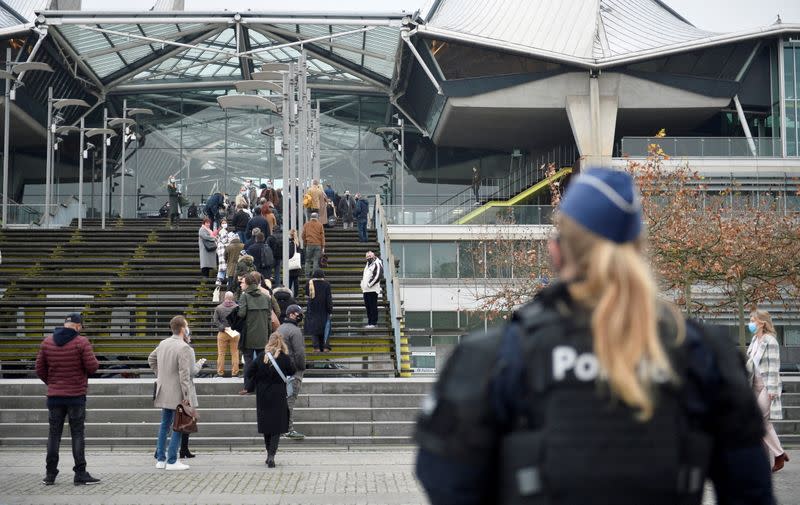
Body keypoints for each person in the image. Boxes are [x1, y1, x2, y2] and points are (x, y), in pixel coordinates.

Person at [415, 168, 774, 505]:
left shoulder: (494, 356)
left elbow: (446, 481)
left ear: (556, 251)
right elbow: (751, 489)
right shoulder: (704, 353)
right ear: (639, 249)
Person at [35, 313, 101, 486]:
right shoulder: (81, 342)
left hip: (55, 397)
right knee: (77, 433)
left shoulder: (47, 342)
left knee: (53, 435)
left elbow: (39, 368)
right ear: (78, 326)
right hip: (76, 396)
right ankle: (80, 473)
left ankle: (50, 474)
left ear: (65, 324)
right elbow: (93, 367)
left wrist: (52, 383)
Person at [148, 315, 197, 471]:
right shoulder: (184, 347)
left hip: (164, 390)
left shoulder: (163, 343)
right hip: (178, 392)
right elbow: (184, 374)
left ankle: (161, 459)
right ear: (183, 329)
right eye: (187, 325)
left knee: (164, 424)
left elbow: (151, 359)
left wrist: (160, 375)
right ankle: (172, 460)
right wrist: (187, 397)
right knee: (178, 426)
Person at [244, 332, 296, 467]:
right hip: (278, 396)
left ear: (269, 342)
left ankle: (268, 454)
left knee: (266, 426)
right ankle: (272, 455)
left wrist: (257, 378)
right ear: (281, 343)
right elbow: (292, 371)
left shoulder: (261, 357)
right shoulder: (284, 358)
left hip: (262, 396)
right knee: (276, 428)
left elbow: (249, 372)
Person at [747, 308, 789, 472]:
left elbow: (773, 367)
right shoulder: (754, 340)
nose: (750, 323)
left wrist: (772, 389)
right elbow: (751, 363)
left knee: (760, 420)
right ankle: (766, 459)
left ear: (762, 322)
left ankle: (779, 454)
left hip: (768, 385)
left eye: (752, 320)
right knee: (762, 422)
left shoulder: (770, 341)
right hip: (754, 384)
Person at [238, 272, 272, 383]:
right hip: (263, 335)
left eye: (242, 282)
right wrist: (268, 334)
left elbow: (241, 314)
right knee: (263, 361)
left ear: (247, 284)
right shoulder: (266, 297)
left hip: (249, 336)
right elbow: (269, 318)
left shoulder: (244, 296)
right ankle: (262, 384)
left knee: (248, 361)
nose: (240, 285)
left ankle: (248, 386)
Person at [279, 304, 306, 440]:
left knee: (283, 400)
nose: (300, 315)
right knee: (290, 401)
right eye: (298, 313)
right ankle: (288, 429)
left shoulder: (280, 328)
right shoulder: (295, 331)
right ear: (291, 314)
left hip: (280, 371)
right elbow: (299, 353)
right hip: (293, 371)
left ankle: (281, 427)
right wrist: (301, 367)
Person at [180, 327, 206, 460]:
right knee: (186, 420)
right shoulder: (188, 349)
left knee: (170, 420)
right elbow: (192, 371)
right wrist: (200, 363)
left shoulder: (167, 345)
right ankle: (183, 449)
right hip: (186, 387)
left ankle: (161, 450)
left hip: (172, 386)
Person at [213, 291, 240, 378]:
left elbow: (215, 320)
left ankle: (220, 372)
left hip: (223, 332)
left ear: (225, 297)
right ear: (232, 298)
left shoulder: (219, 308)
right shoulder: (237, 307)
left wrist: (222, 327)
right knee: (235, 353)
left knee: (221, 353)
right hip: (234, 333)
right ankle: (235, 373)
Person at [305, 269, 333, 353]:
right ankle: (325, 347)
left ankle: (316, 347)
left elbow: (307, 295)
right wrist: (330, 310)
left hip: (312, 310)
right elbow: (329, 299)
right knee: (326, 328)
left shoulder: (309, 284)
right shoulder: (326, 284)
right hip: (323, 310)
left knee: (314, 329)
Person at [361, 251, 382, 328]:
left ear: (373, 256)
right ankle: (370, 322)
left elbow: (378, 275)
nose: (368, 258)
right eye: (367, 257)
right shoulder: (367, 264)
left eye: (370, 256)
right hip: (366, 290)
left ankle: (374, 323)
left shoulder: (377, 263)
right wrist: (363, 286)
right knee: (368, 307)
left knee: (373, 306)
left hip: (372, 290)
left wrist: (369, 284)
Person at [301, 212, 325, 276]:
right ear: (317, 217)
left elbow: (303, 235)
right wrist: (323, 246)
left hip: (309, 244)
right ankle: (314, 274)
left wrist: (305, 242)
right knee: (316, 260)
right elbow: (322, 236)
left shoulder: (306, 224)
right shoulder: (320, 225)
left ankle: (307, 274)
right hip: (318, 245)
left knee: (308, 260)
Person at [215, 220, 233, 287]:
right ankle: (228, 281)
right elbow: (224, 240)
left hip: (223, 250)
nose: (224, 224)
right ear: (220, 224)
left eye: (225, 223)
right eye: (223, 223)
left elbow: (216, 241)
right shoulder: (222, 232)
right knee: (226, 266)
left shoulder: (220, 232)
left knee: (222, 266)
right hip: (223, 250)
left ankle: (219, 281)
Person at [287, 229, 302, 296]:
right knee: (295, 280)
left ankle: (289, 293)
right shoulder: (297, 242)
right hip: (296, 263)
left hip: (290, 263)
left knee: (290, 279)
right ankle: (296, 294)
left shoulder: (289, 243)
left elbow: (290, 254)